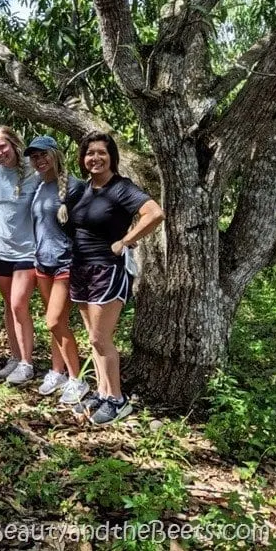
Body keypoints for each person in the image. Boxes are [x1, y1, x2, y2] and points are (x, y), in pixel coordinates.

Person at [69, 131, 165, 425]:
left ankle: (118, 400)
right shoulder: (84, 189)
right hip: (81, 268)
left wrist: (125, 240)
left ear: (112, 157)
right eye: (89, 153)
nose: (94, 158)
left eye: (101, 152)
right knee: (93, 339)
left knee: (101, 338)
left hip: (107, 269)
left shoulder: (121, 188)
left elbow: (155, 213)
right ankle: (102, 392)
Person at [25, 136, 89, 405]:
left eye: (43, 155)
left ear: (54, 154)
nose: (39, 161)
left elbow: (88, 224)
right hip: (43, 263)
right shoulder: (40, 187)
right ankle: (57, 371)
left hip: (66, 262)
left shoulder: (75, 187)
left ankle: (78, 379)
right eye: (34, 157)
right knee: (56, 324)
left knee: (53, 321)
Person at [0, 126, 40, 385]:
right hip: (0, 250)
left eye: (3, 147)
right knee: (9, 305)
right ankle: (16, 355)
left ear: (14, 144)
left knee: (19, 304)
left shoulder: (34, 169)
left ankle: (27, 363)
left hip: (27, 249)